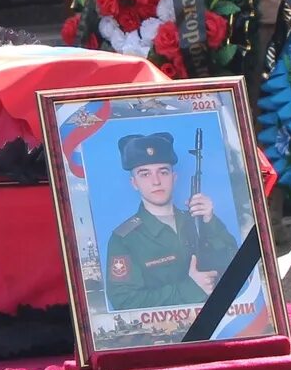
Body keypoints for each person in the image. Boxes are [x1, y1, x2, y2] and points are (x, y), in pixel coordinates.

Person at [100, 131, 235, 310]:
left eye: (163, 172)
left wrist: (210, 221)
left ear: (174, 177)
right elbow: (124, 302)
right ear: (134, 183)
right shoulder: (124, 239)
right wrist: (191, 289)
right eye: (145, 174)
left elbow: (237, 266)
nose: (156, 181)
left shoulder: (197, 220)